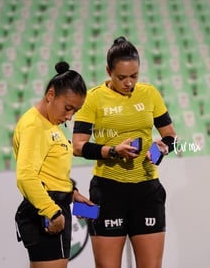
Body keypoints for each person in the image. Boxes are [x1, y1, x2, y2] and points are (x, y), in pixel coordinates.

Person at [72, 36, 177, 268]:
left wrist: (160, 151)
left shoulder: (150, 94)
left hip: (148, 192)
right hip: (108, 192)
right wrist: (113, 151)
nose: (129, 83)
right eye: (121, 77)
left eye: (134, 76)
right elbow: (78, 146)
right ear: (108, 71)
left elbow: (172, 138)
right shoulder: (93, 98)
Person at [13, 61, 93, 268]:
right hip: (46, 212)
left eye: (74, 111)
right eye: (67, 108)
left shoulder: (49, 123)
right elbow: (26, 176)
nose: (69, 117)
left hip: (54, 206)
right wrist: (53, 212)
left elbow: (49, 173)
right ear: (50, 95)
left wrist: (72, 194)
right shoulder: (34, 125)